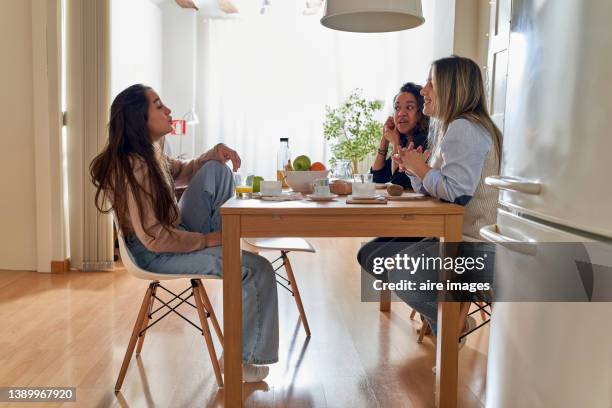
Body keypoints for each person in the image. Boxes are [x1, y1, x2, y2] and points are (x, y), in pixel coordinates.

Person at [90, 84, 278, 382]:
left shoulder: (148, 154)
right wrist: (208, 240)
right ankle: (244, 361)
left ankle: (226, 248)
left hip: (174, 235)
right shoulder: (134, 166)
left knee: (218, 170)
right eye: (159, 105)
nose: (168, 110)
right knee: (257, 268)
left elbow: (182, 171)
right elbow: (154, 238)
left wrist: (215, 153)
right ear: (140, 117)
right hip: (155, 254)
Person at [358, 55, 501, 339]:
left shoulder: (464, 128)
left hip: (471, 244)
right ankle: (447, 322)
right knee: (372, 255)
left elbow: (457, 195)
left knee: (399, 271)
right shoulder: (462, 126)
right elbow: (437, 187)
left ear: (451, 88)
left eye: (430, 83)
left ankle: (450, 328)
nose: (424, 90)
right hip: (457, 236)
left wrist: (420, 168)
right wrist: (414, 169)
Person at [370, 82, 429, 189]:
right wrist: (384, 140)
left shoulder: (424, 141)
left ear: (421, 112)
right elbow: (376, 178)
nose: (401, 113)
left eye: (409, 107)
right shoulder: (405, 140)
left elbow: (398, 182)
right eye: (397, 108)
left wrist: (395, 144)